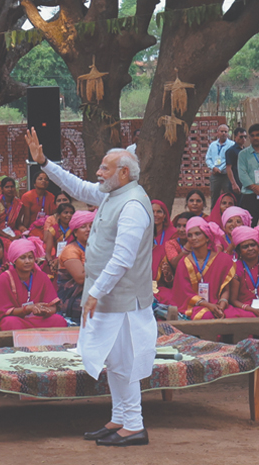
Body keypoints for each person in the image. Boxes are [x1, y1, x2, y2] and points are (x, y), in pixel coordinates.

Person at [26, 127, 156, 446]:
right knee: (113, 358)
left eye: (104, 168)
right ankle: (120, 419)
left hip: (121, 298)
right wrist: (43, 162)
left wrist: (95, 292)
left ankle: (134, 424)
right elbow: (79, 187)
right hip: (106, 296)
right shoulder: (113, 193)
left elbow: (123, 259)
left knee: (124, 360)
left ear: (123, 173)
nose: (98, 173)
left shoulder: (133, 205)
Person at [0, 237, 67, 330]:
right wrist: (27, 309)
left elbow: (53, 307)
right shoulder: (5, 278)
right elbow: (2, 312)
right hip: (19, 320)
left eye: (30, 257)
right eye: (23, 258)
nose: (27, 261)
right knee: (9, 322)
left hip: (38, 319)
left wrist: (44, 311)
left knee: (59, 320)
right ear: (14, 260)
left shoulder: (41, 276)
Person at [172, 217, 234, 320]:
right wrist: (209, 306)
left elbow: (226, 289)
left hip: (219, 304)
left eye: (197, 234)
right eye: (190, 235)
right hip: (194, 306)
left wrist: (221, 306)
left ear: (207, 237)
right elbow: (185, 293)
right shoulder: (183, 263)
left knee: (234, 316)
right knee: (207, 315)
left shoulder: (224, 259)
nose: (193, 238)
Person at [56, 211, 94, 324]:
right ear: (76, 232)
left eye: (91, 226)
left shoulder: (95, 248)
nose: (88, 230)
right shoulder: (70, 250)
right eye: (83, 227)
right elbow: (81, 278)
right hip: (73, 298)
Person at [206, 124, 235, 206]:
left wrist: (220, 169)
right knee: (214, 196)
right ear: (217, 132)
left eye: (225, 132)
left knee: (228, 195)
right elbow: (208, 158)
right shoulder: (213, 145)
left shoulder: (231, 145)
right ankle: (214, 214)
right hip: (215, 175)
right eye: (222, 131)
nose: (223, 133)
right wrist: (213, 168)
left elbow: (229, 160)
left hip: (226, 175)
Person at [43, 203, 75, 273]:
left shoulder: (75, 230)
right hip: (56, 259)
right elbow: (48, 252)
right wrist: (50, 262)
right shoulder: (53, 230)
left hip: (73, 258)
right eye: (66, 213)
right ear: (58, 215)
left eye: (71, 213)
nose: (69, 215)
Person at [151, 200, 176, 282]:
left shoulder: (173, 234)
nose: (155, 215)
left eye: (159, 212)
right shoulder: (142, 233)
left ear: (165, 215)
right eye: (152, 211)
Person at [225, 127, 247, 197]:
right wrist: (233, 184)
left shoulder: (246, 151)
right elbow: (229, 168)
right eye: (241, 136)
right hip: (236, 182)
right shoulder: (231, 151)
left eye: (245, 137)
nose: (243, 138)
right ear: (235, 137)